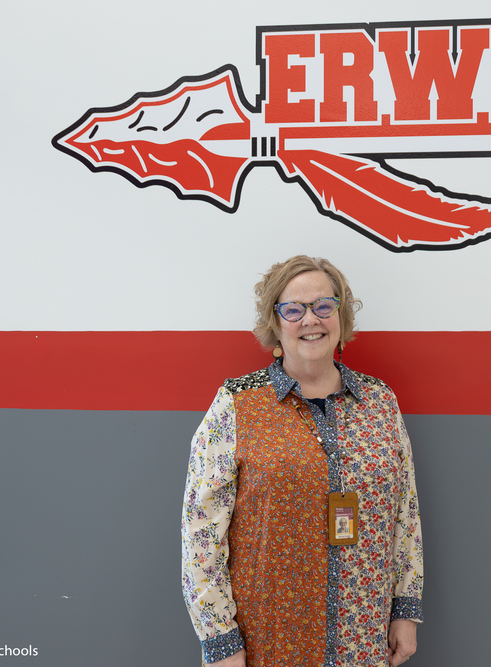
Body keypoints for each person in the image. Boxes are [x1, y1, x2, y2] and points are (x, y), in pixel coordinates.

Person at [182, 256, 423, 667]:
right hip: (268, 641)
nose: (310, 319)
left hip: (362, 639)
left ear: (341, 318)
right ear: (275, 323)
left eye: (323, 306)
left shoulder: (381, 401)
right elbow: (200, 533)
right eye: (293, 309)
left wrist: (405, 610)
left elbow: (406, 514)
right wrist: (220, 640)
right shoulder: (237, 403)